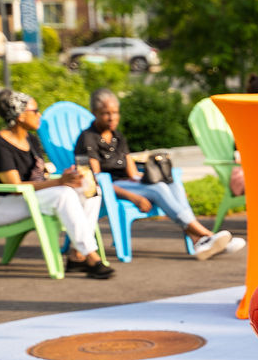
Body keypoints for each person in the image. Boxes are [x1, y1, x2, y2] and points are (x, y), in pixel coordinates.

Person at [75, 88, 245, 259]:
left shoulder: (117, 136)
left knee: (172, 184)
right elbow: (95, 179)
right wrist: (134, 197)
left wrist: (156, 181)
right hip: (109, 188)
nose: (112, 118)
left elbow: (133, 172)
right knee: (159, 189)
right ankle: (207, 235)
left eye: (115, 112)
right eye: (106, 113)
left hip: (127, 183)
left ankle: (198, 241)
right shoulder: (88, 138)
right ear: (94, 113)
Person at [0, 90, 114, 279]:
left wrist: (68, 178)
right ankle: (90, 255)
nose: (39, 115)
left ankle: (77, 255)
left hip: (34, 198)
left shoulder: (31, 139)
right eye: (35, 111)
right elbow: (15, 187)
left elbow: (41, 175)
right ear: (20, 116)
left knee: (90, 189)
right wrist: (59, 183)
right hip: (2, 205)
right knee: (64, 194)